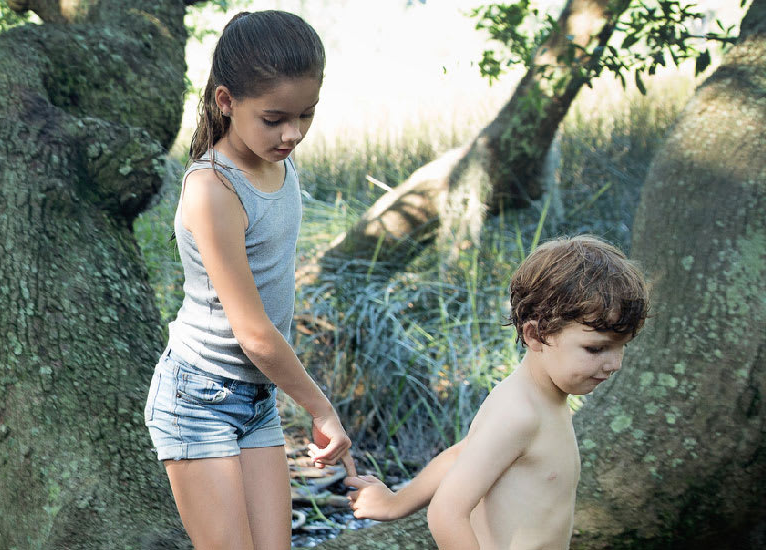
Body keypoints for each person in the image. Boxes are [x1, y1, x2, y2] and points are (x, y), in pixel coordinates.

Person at [145, 10, 352, 549]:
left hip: (255, 398)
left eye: (306, 114)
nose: (293, 133)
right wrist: (320, 408)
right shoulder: (213, 189)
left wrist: (291, 398)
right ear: (226, 101)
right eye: (275, 117)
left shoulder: (279, 165)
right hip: (198, 398)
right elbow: (255, 335)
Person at [344, 235, 649, 550]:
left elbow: (463, 455)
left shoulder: (541, 398)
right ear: (536, 335)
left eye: (621, 347)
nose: (614, 364)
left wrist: (397, 503)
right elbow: (446, 512)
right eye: (596, 348)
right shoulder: (519, 413)